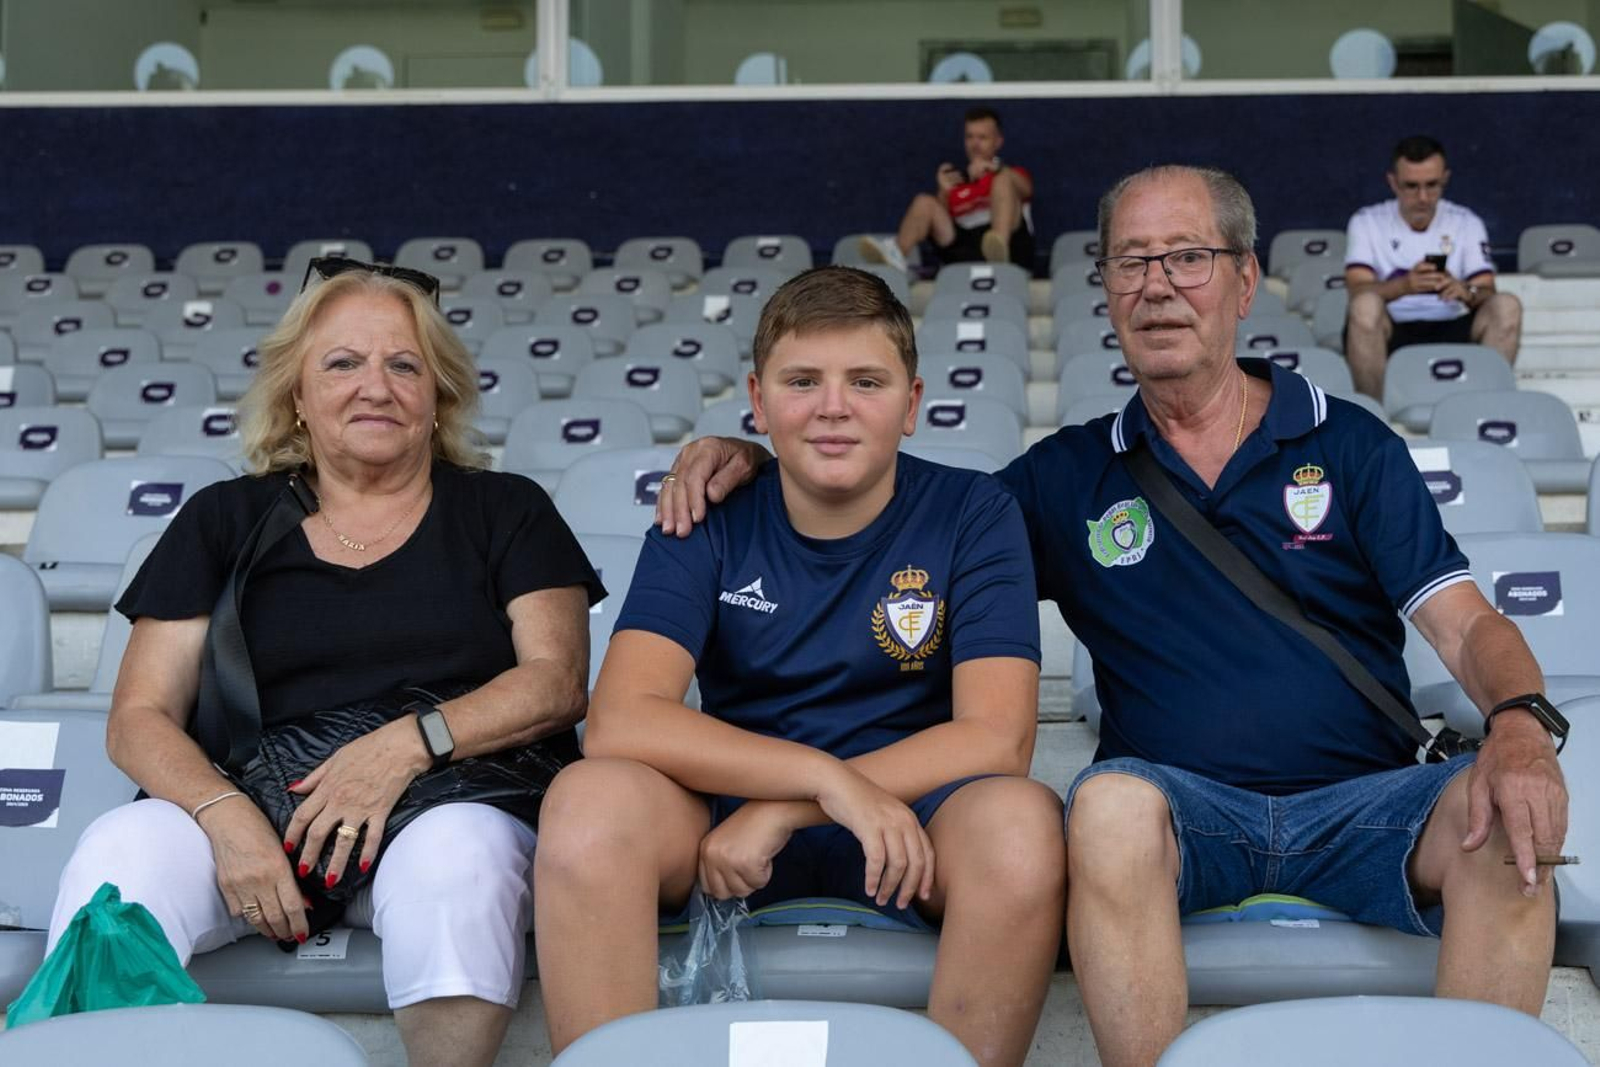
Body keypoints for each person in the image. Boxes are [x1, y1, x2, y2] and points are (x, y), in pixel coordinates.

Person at [658, 167, 1569, 1067]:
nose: (1158, 285)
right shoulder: (1063, 476)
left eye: (1187, 257)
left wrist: (1521, 727)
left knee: (1509, 823)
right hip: (1176, 811)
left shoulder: (1350, 442)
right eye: (1130, 262)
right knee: (1105, 806)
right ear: (1105, 292)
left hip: (1366, 801)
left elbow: (1465, 626)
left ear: (1245, 281)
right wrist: (764, 456)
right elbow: (891, 518)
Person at [47, 259, 603, 1067]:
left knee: (460, 860)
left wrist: (405, 745)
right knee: (117, 859)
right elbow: (137, 718)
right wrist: (224, 815)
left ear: (438, 395)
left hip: (443, 796)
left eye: (403, 364)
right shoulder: (222, 517)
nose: (374, 386)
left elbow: (555, 683)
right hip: (252, 806)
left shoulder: (505, 509)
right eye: (342, 363)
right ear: (296, 397)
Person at [534, 266, 1064, 1066]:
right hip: (723, 824)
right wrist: (823, 777)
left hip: (915, 818)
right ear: (758, 397)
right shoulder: (707, 512)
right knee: (585, 802)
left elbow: (996, 737)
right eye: (803, 380)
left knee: (1022, 827)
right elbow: (619, 719)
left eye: (866, 380)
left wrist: (802, 803)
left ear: (913, 401)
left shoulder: (974, 511)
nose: (833, 406)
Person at [1344, 134, 1522, 398]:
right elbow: (1356, 291)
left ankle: (1485, 404)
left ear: (1445, 179)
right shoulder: (1367, 221)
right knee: (1364, 307)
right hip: (1393, 328)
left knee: (1508, 306)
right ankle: (1375, 413)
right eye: (1411, 186)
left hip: (1452, 322)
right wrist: (1404, 286)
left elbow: (1487, 291)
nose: (1423, 197)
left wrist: (1465, 291)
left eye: (1432, 185)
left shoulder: (1466, 222)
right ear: (1393, 183)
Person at [859, 105, 1036, 272]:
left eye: (982, 138)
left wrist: (996, 169)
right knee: (924, 202)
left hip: (1012, 251)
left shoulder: (1009, 174)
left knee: (1002, 180)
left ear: (998, 142)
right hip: (965, 251)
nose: (975, 144)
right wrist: (944, 192)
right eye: (970, 137)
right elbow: (941, 232)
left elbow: (1027, 189)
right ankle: (896, 256)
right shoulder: (957, 183)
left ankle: (998, 251)